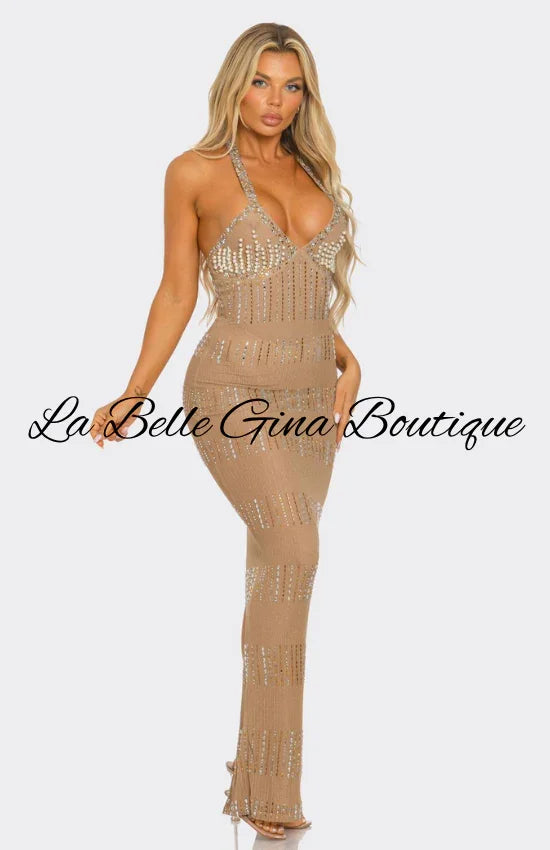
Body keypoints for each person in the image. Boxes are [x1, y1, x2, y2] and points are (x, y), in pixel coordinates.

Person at [91, 22, 362, 841]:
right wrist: (133, 392)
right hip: (231, 392)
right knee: (296, 550)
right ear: (233, 86)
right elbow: (178, 289)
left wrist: (349, 360)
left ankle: (254, 776)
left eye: (292, 86)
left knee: (279, 576)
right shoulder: (196, 171)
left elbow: (303, 287)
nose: (275, 101)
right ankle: (274, 796)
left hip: (312, 403)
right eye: (260, 82)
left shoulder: (315, 173)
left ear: (306, 96)